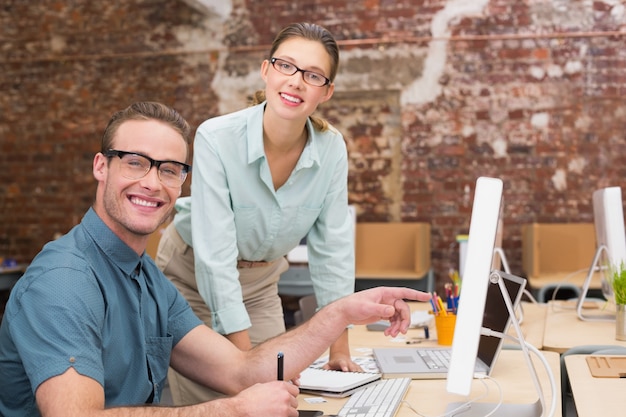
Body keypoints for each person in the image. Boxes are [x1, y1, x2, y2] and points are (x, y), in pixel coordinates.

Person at [0, 101, 432, 417]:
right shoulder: (63, 281)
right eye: (135, 163)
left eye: (169, 170)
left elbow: (240, 371)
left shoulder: (145, 276)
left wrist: (339, 313)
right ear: (101, 166)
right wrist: (233, 411)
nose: (153, 183)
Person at [155, 22, 358, 404]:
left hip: (262, 284)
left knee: (281, 397)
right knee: (226, 403)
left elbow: (333, 248)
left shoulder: (331, 148)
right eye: (286, 66)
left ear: (326, 91)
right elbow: (215, 257)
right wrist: (244, 365)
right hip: (193, 280)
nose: (296, 82)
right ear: (266, 70)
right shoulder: (216, 138)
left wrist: (339, 349)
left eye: (312, 75)